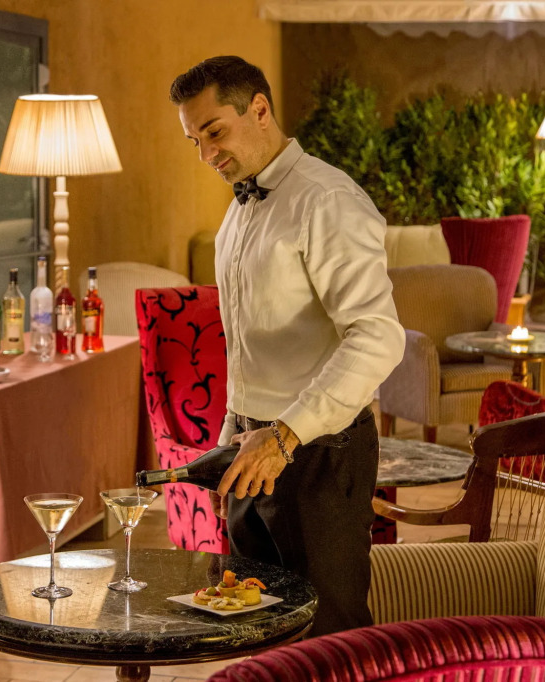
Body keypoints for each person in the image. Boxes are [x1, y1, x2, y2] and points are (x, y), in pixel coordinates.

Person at [170, 56, 405, 637]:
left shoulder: (327, 200)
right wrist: (231, 438)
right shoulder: (237, 213)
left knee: (327, 636)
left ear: (259, 109)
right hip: (253, 449)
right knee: (256, 626)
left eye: (214, 132)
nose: (206, 154)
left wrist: (283, 436)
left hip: (320, 453)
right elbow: (248, 348)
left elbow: (377, 336)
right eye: (195, 140)